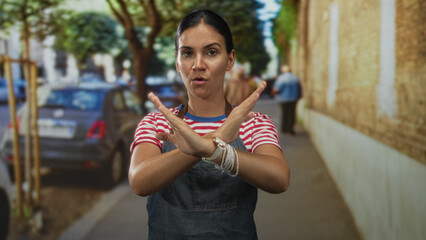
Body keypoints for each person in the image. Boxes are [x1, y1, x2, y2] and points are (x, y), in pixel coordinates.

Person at [129, 9, 290, 239]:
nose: (198, 64)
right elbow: (139, 181)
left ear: (230, 60)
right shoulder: (156, 122)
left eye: (211, 52)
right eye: (187, 53)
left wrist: (210, 149)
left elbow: (279, 179)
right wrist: (217, 141)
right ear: (177, 61)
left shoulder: (254, 123)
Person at [273, 65, 302, 135]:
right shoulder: (295, 78)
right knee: (292, 113)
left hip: (284, 98)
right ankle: (291, 129)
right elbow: (299, 89)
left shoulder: (281, 78)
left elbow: (277, 89)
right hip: (294, 98)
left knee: (285, 113)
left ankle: (284, 129)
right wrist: (299, 96)